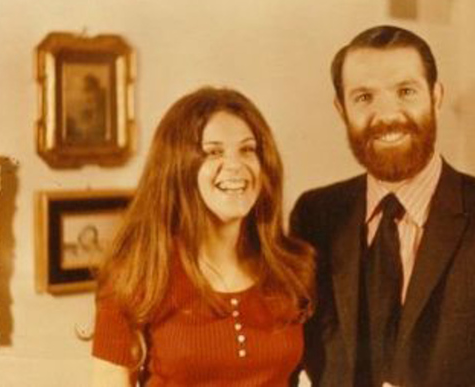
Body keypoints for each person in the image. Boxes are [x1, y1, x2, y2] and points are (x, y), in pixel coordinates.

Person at [290, 25, 475, 387]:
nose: (387, 114)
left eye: (406, 91)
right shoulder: (315, 215)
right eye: (364, 97)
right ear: (340, 109)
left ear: (436, 96)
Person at [91, 86, 315, 386]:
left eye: (248, 149)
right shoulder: (136, 276)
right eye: (214, 152)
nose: (235, 166)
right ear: (178, 168)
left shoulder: (291, 269)